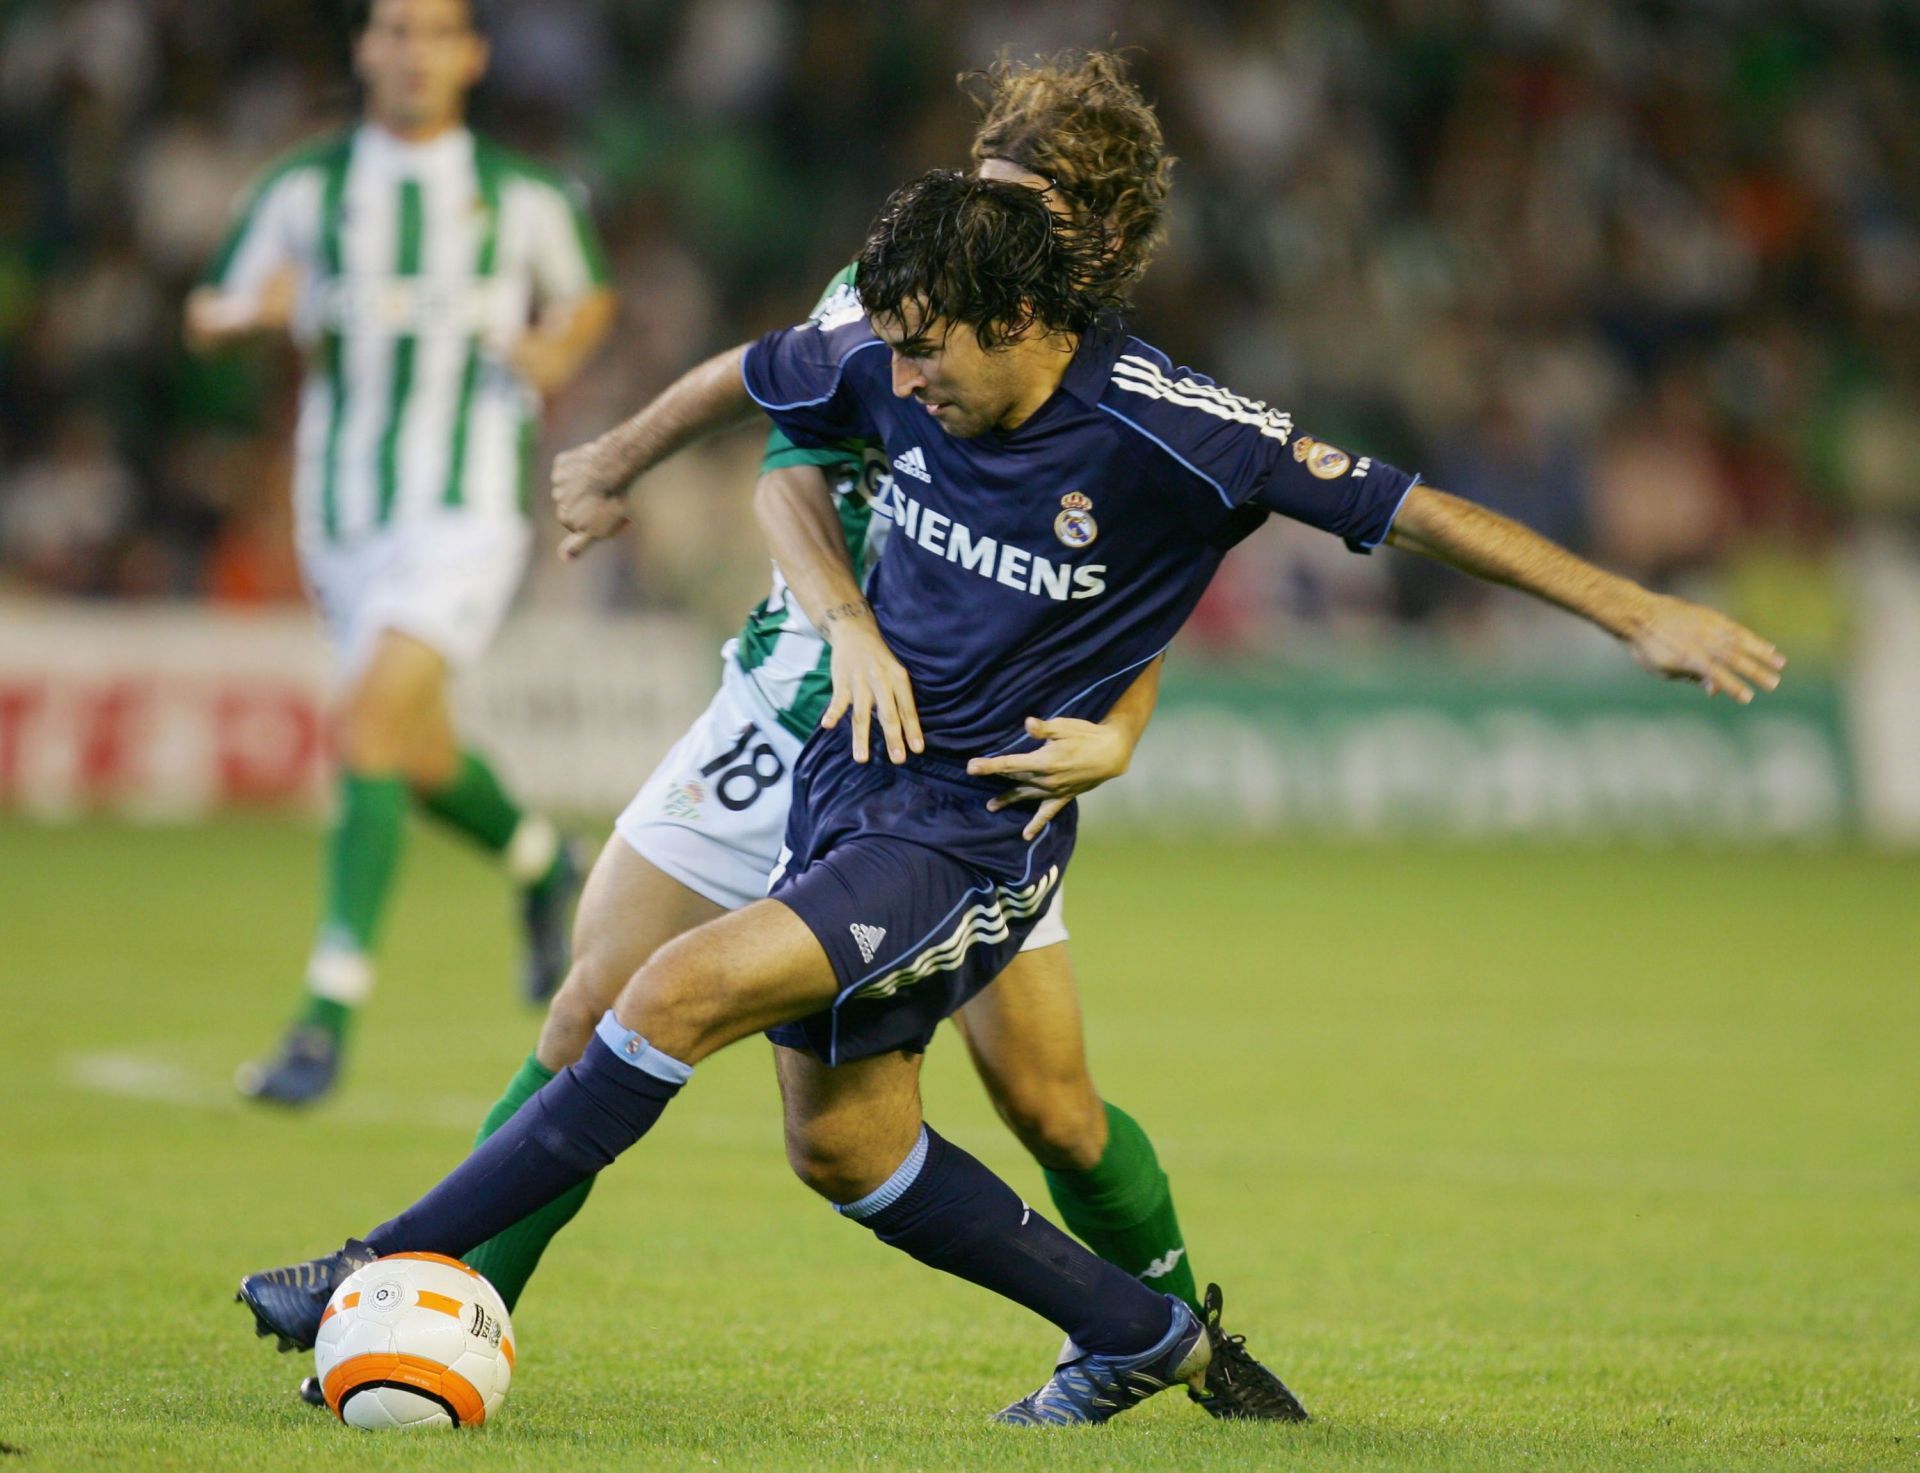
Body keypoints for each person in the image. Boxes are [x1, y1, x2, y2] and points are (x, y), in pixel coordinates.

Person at [240, 172, 1783, 1428]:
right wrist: (633, 465)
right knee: (844, 1148)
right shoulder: (899, 354)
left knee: (664, 990)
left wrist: (1635, 610)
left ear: (1030, 316)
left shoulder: (1176, 433)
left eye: (930, 357)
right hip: (838, 794)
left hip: (967, 835)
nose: (900, 385)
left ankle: (386, 1256)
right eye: (894, 351)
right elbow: (776, 403)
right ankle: (1144, 1333)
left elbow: (1412, 509)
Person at [287, 51, 1302, 1423]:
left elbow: (1130, 600)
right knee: (597, 1001)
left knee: (1052, 1106)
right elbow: (785, 459)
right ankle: (420, 1295)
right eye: (985, 183)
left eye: (1030, 202)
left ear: (1098, 237)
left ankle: (1172, 1342)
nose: (988, 214)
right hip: (784, 714)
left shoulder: (1114, 387)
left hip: (964, 781)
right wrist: (842, 621)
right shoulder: (904, 288)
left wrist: (1119, 733)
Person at [186, 0, 615, 1104]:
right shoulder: (304, 187)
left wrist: (550, 344)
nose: (412, 51)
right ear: (365, 49)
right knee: (411, 754)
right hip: (342, 521)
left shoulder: (520, 193)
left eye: (434, 31)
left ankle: (323, 1018)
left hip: (465, 511)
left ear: (470, 56)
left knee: (366, 727)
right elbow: (211, 306)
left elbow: (585, 301)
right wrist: (245, 318)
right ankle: (539, 858)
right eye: (392, 29)